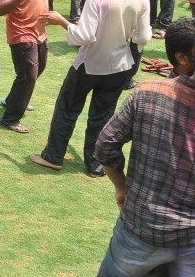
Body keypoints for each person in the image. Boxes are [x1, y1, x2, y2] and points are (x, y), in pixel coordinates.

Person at [32, 0, 152, 177]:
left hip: (90, 63)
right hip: (120, 65)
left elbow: (85, 36)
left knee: (67, 108)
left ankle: (53, 156)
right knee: (103, 115)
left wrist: (62, 21)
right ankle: (95, 165)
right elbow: (143, 37)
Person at [92, 18, 195, 275]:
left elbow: (105, 145)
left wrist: (121, 186)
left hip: (142, 229)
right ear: (182, 57)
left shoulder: (147, 93)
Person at [0, 0, 71, 134]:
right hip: (21, 33)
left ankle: (14, 100)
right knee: (28, 75)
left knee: (38, 69)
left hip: (40, 32)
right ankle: (10, 119)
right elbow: (1, 9)